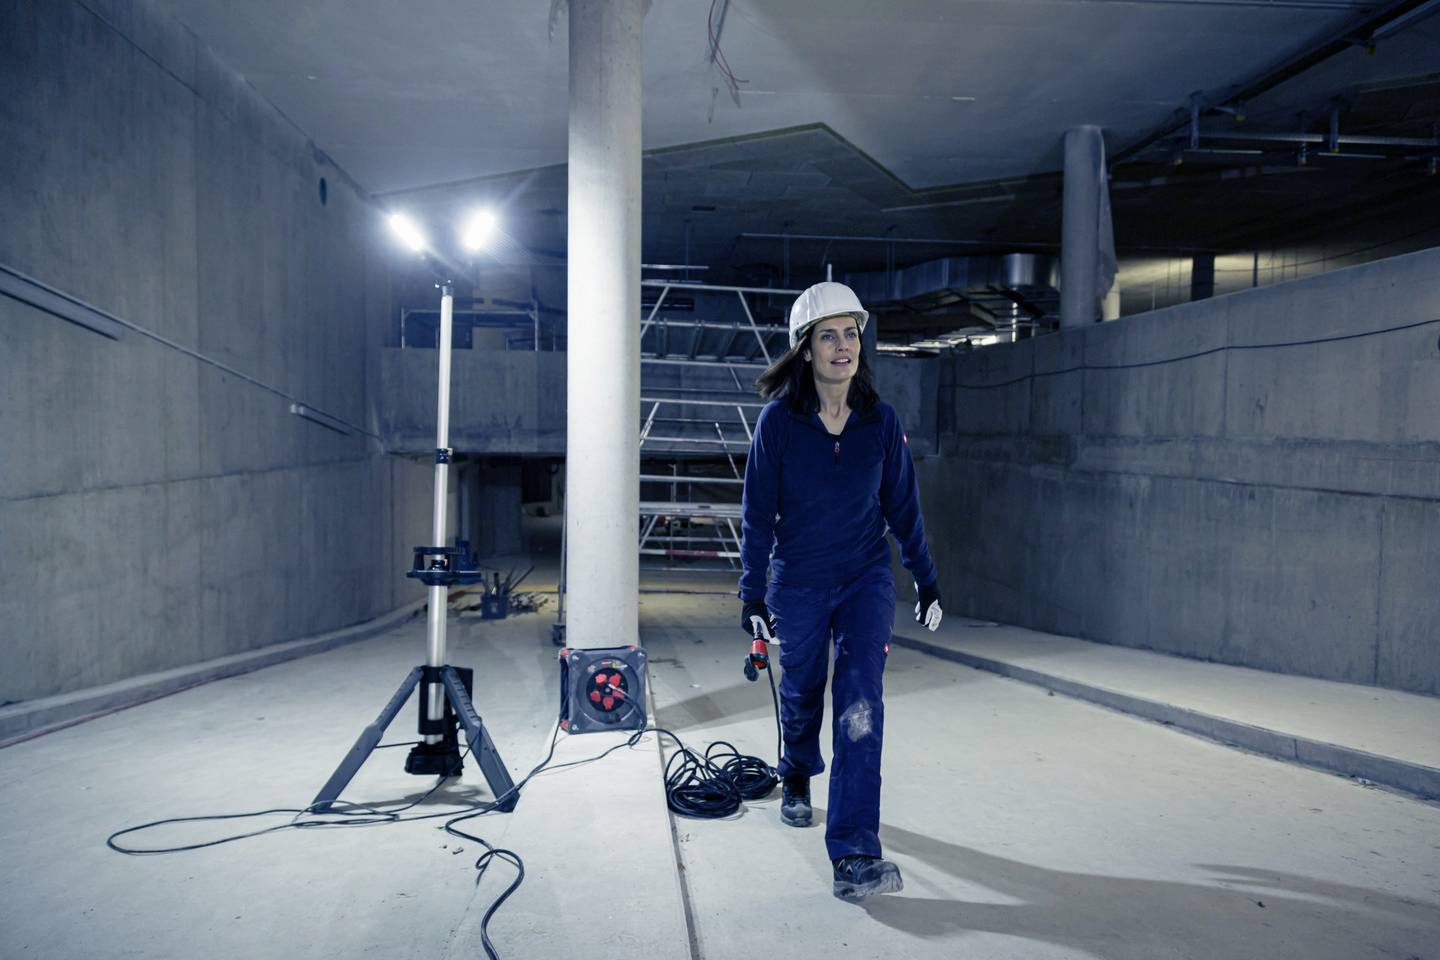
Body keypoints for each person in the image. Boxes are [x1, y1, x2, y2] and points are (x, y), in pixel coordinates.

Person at [738, 280, 943, 902]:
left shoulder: (880, 422)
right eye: (828, 336)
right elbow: (757, 515)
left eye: (850, 334)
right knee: (802, 689)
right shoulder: (779, 424)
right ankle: (797, 771)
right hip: (798, 581)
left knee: (859, 702)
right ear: (806, 349)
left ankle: (854, 853)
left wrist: (926, 577)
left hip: (864, 579)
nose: (842, 345)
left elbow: (903, 508)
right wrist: (752, 594)